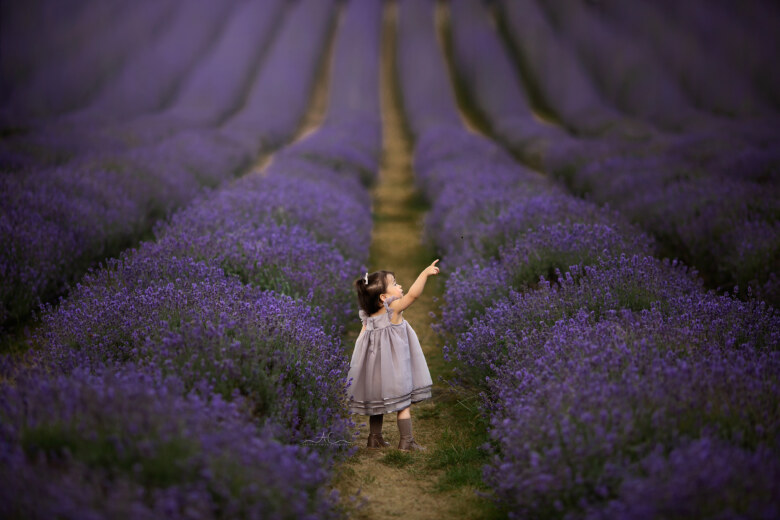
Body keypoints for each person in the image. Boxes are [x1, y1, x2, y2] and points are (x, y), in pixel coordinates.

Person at [347, 260, 440, 451]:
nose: (400, 286)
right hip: (396, 368)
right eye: (395, 284)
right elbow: (413, 295)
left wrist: (358, 366)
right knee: (403, 403)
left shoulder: (368, 316)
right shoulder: (393, 310)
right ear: (383, 297)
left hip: (375, 369)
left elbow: (361, 341)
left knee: (376, 402)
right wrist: (424, 273)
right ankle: (407, 441)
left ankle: (374, 438)